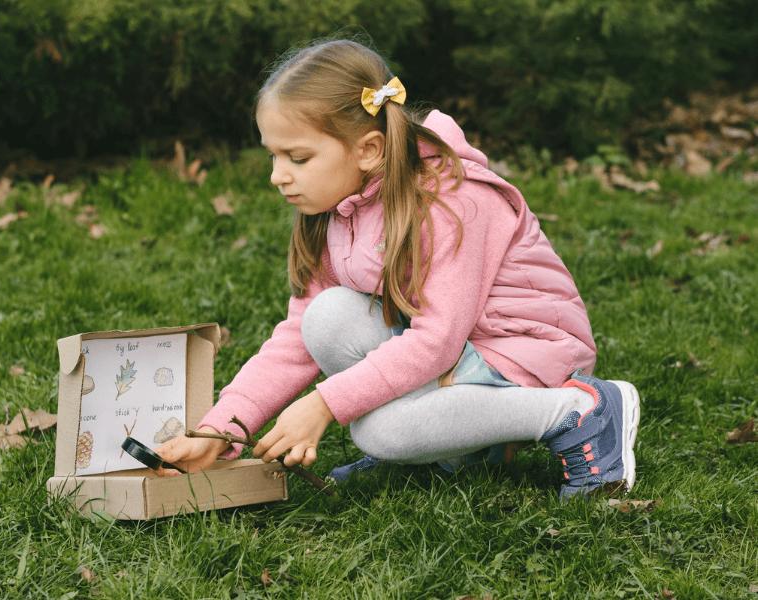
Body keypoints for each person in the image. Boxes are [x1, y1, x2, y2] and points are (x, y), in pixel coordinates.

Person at [155, 38, 641, 499]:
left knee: (378, 429)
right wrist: (220, 430)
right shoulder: (336, 209)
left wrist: (325, 404)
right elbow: (297, 338)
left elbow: (437, 341)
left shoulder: (453, 202)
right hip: (465, 354)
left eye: (297, 157)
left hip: (528, 353)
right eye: (273, 155)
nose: (277, 175)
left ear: (368, 150)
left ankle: (580, 411)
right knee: (325, 317)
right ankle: (455, 450)